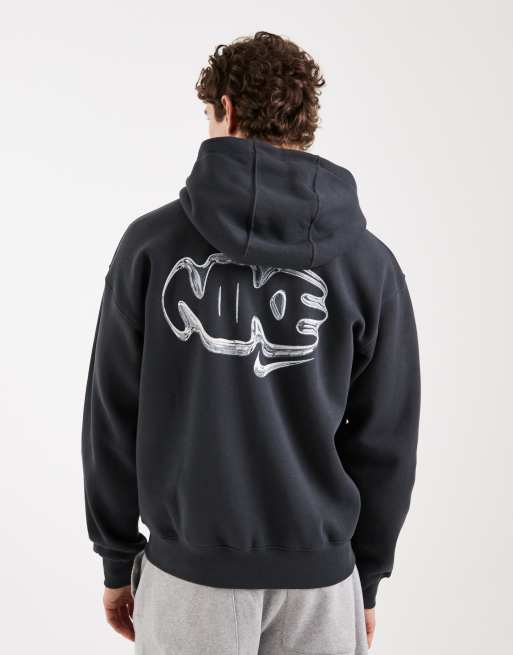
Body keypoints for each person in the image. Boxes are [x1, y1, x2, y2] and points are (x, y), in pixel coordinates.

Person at [82, 31, 420, 654]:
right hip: (321, 584)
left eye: (209, 116)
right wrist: (367, 578)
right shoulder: (369, 264)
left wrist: (115, 556)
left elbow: (113, 413)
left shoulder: (151, 246)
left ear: (228, 110)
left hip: (189, 576)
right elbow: (386, 439)